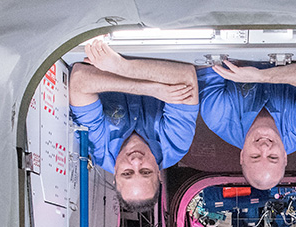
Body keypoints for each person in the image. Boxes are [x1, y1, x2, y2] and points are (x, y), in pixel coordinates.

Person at [70, 39, 199, 211]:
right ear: (159, 175)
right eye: (146, 171)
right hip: (161, 43)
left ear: (115, 176)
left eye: (127, 173)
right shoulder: (176, 145)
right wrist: (120, 67)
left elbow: (80, 79)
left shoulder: (97, 147)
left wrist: (150, 88)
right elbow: (186, 76)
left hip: (103, 42)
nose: (136, 161)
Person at [197, 59, 296, 190]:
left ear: (242, 155)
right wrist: (261, 76)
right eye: (273, 157)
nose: (264, 147)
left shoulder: (217, 118)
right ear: (285, 156)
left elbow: (208, 59)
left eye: (255, 156)